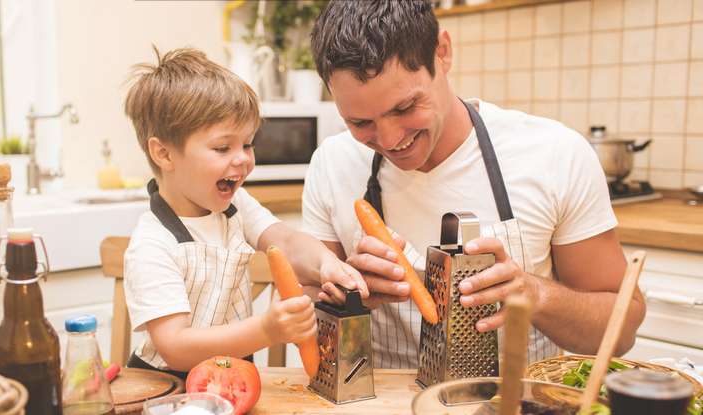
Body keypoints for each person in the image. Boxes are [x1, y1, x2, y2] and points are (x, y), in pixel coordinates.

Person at [302, 0, 645, 369]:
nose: (388, 139)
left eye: (404, 108)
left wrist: (536, 294)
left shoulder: (555, 154)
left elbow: (620, 331)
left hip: (518, 403)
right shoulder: (332, 164)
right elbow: (303, 321)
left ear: (443, 53)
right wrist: (346, 299)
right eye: (360, 122)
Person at [121, 47, 367, 378]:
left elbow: (284, 240)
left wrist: (326, 263)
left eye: (248, 144)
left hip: (229, 378)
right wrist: (266, 331)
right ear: (164, 153)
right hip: (168, 387)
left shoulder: (235, 206)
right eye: (223, 148)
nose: (243, 160)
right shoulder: (153, 244)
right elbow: (175, 347)